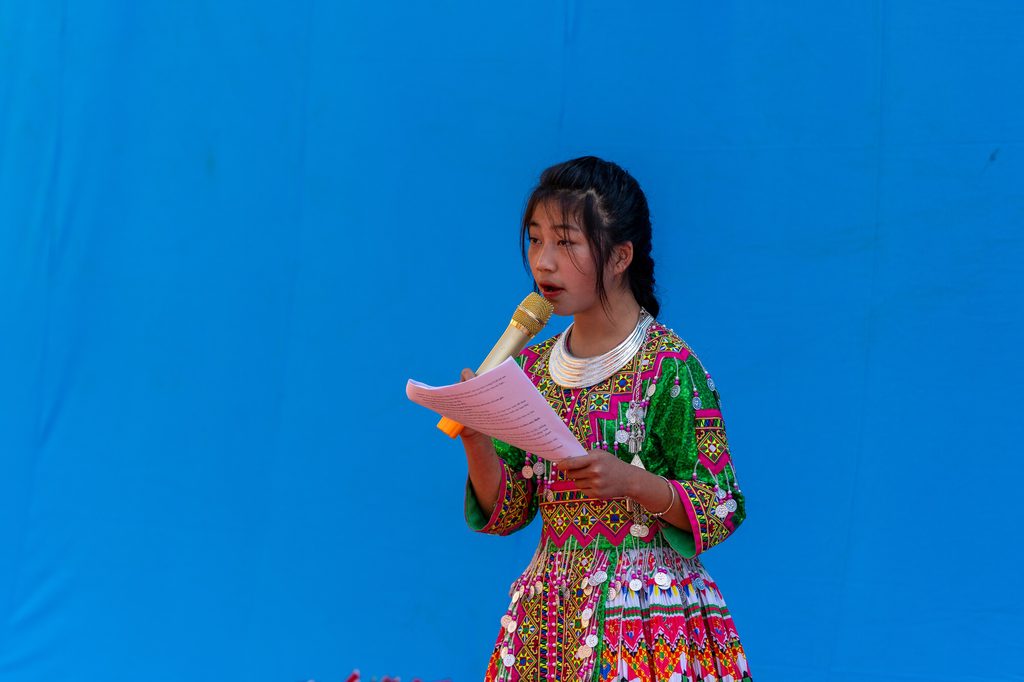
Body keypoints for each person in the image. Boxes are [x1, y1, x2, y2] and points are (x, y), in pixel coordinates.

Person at [459, 157, 753, 682]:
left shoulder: (670, 368)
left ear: (620, 257)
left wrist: (634, 483)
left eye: (566, 242)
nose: (543, 263)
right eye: (534, 240)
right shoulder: (526, 370)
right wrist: (477, 438)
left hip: (647, 620)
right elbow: (506, 513)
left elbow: (721, 504)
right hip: (547, 621)